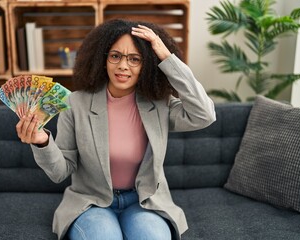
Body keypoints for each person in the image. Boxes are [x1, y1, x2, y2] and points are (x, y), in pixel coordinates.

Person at [16, 19, 216, 240]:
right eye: (115, 56)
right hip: (91, 203)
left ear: (147, 64)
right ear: (103, 60)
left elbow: (204, 115)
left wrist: (166, 57)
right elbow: (60, 171)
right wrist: (42, 141)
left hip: (143, 202)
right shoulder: (76, 103)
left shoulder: (159, 105)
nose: (123, 65)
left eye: (134, 59)